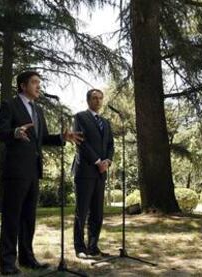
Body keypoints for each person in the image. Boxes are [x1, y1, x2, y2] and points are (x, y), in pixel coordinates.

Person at [0, 71, 82, 275]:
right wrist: (15, 132)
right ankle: (7, 264)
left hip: (34, 171)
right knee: (12, 218)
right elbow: (0, 132)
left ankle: (27, 258)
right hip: (15, 171)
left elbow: (41, 138)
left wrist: (62, 137)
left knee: (28, 218)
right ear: (22, 85)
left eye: (39, 83)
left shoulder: (38, 110)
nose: (38, 86)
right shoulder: (10, 105)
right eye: (34, 82)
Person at [72, 89, 114, 259]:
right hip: (85, 171)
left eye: (100, 98)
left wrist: (108, 161)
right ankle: (80, 248)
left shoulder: (105, 122)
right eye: (94, 98)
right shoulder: (80, 117)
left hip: (101, 173)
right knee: (82, 211)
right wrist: (98, 161)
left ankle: (93, 246)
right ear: (88, 100)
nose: (98, 101)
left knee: (97, 212)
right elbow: (81, 142)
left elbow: (111, 145)